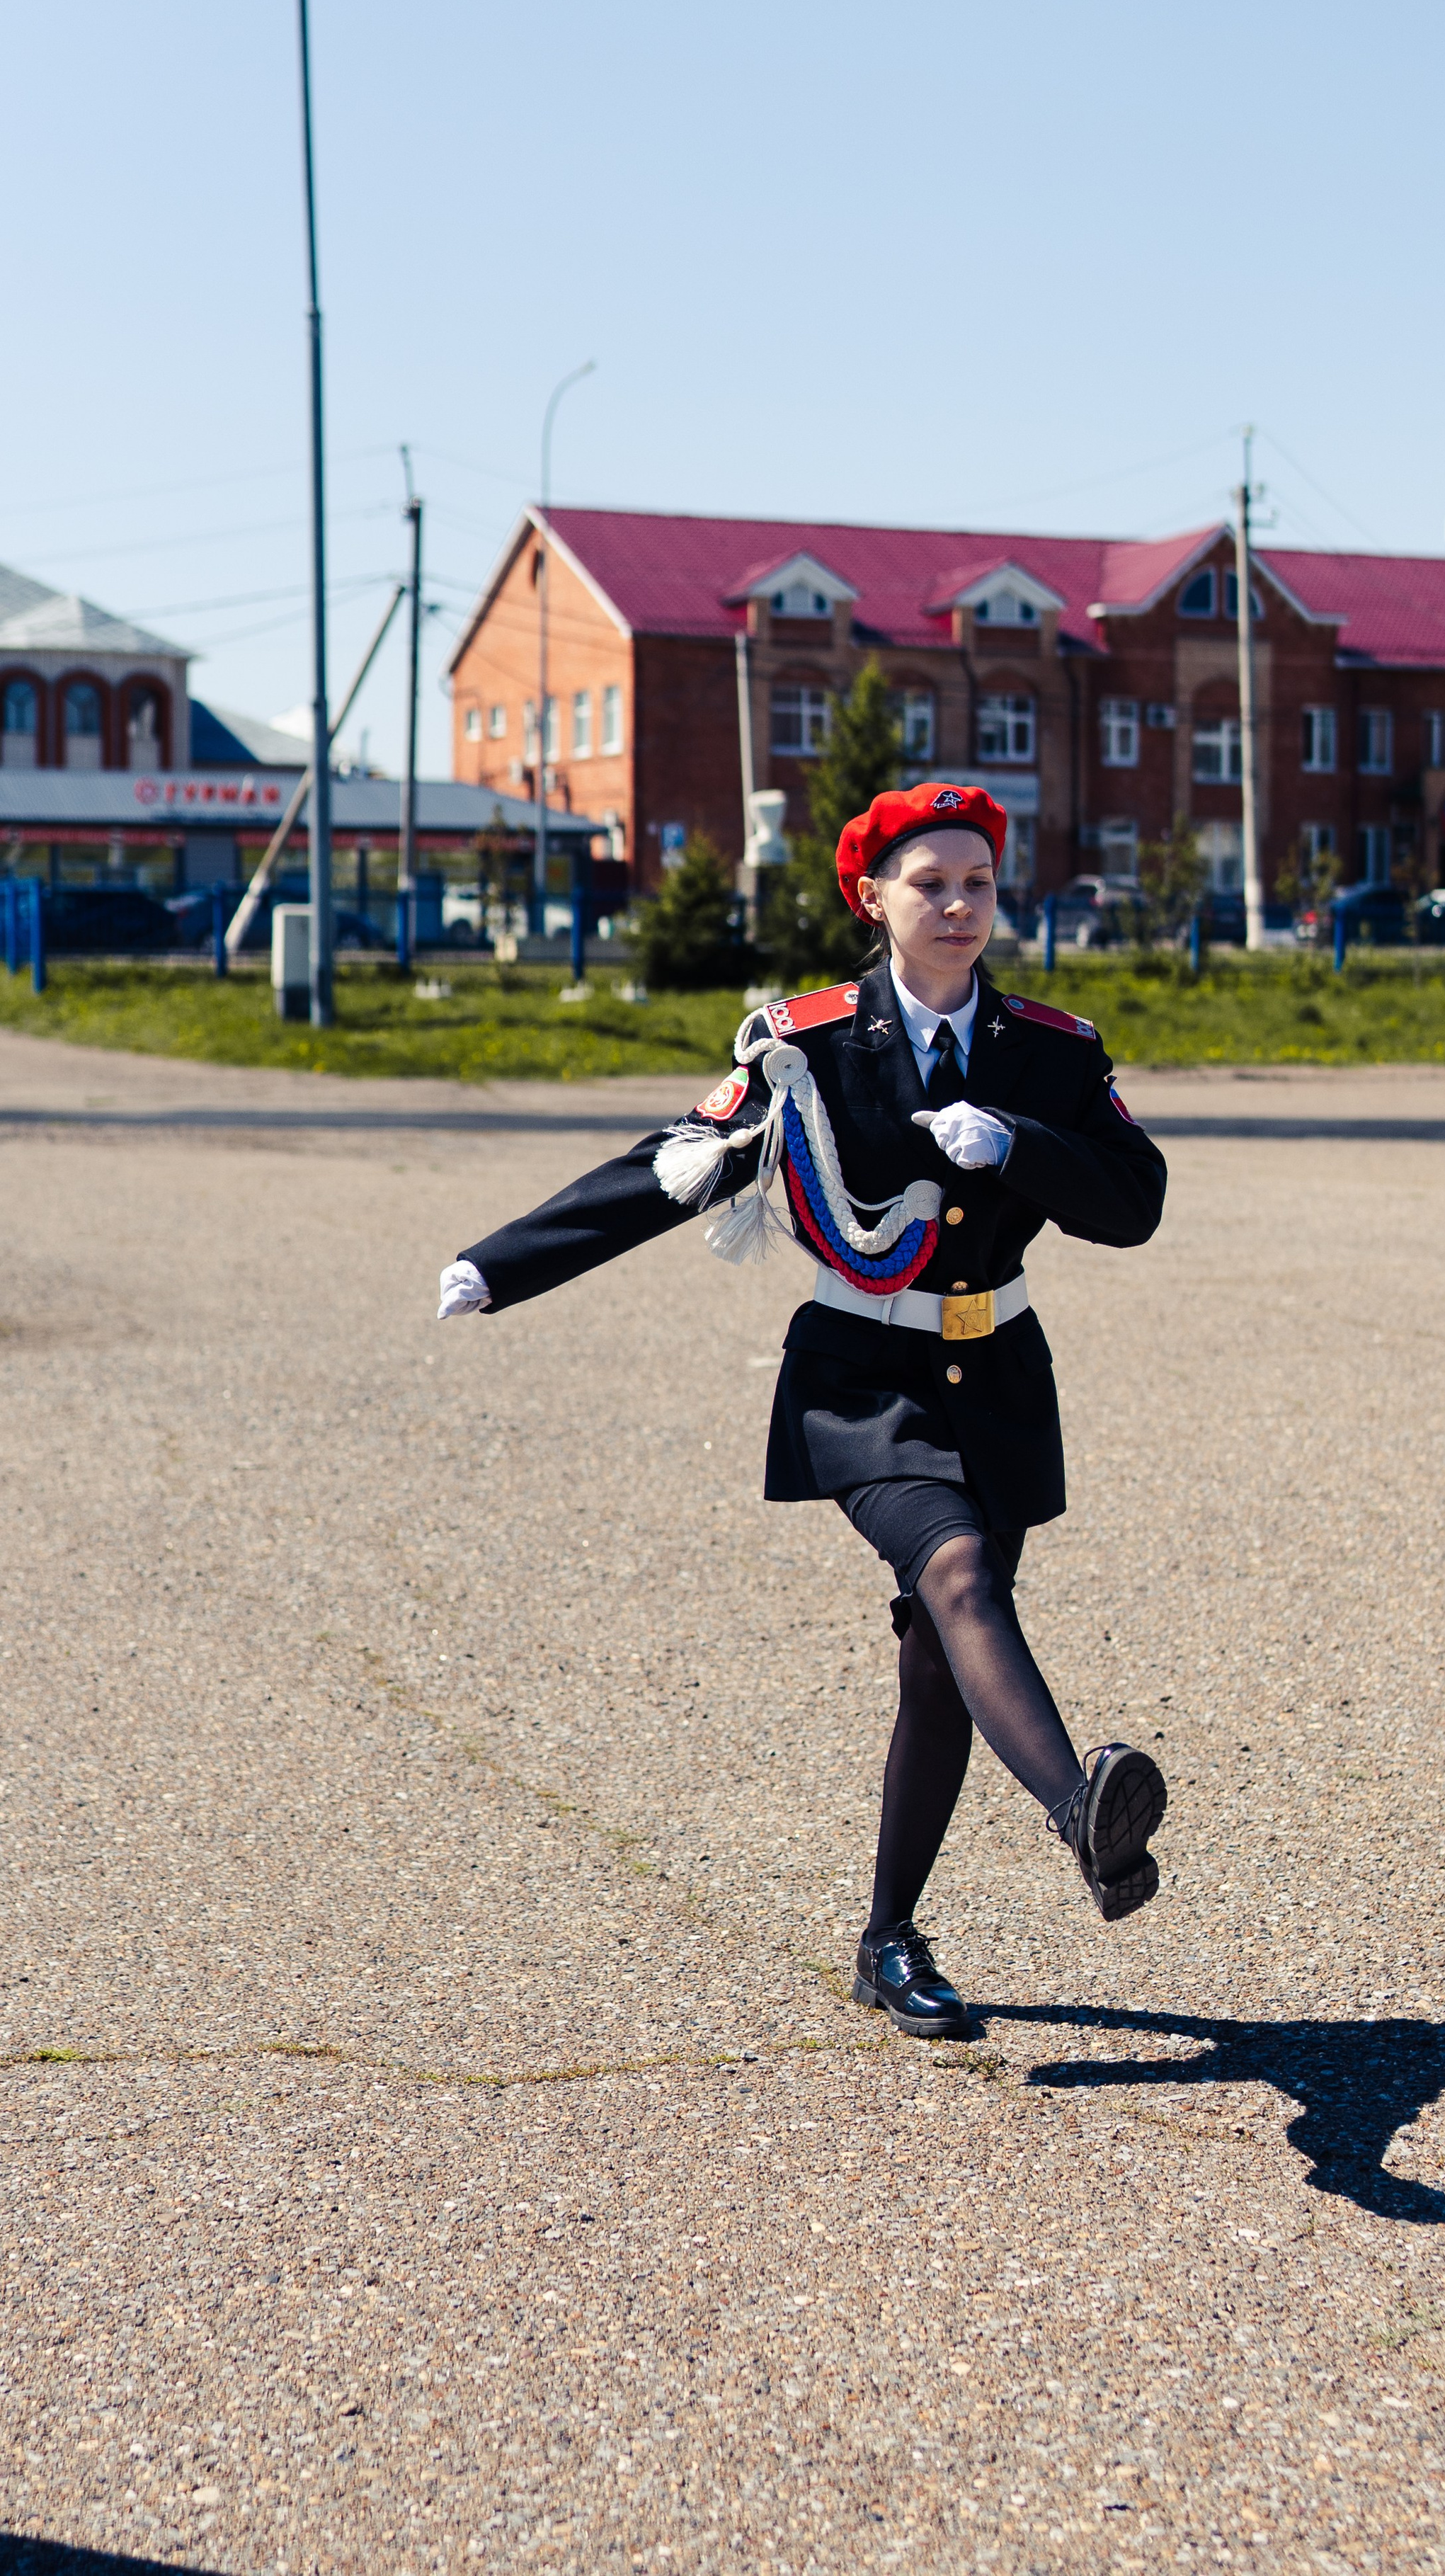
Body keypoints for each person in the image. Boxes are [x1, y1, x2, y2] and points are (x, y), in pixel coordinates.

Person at [438, 781, 1169, 2038]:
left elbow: (1136, 1199)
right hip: (862, 1381)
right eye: (928, 883)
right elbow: (673, 1163)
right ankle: (1083, 1807)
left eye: (977, 883)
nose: (955, 904)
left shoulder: (1050, 1050)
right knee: (957, 1577)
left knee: (941, 1667)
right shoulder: (812, 1043)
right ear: (873, 898)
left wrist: (1022, 1144)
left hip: (996, 1374)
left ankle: (890, 1937)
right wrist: (505, 1262)